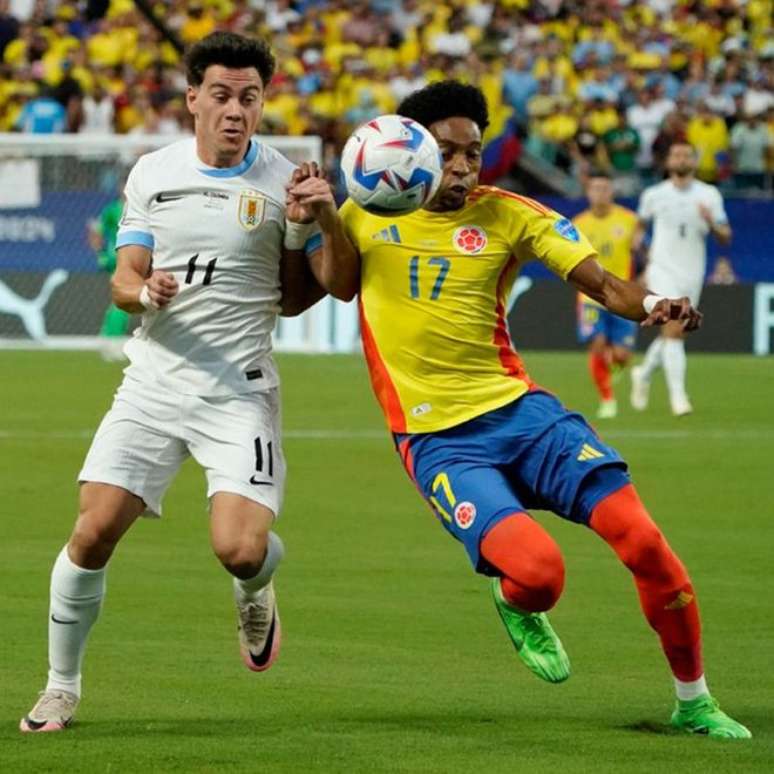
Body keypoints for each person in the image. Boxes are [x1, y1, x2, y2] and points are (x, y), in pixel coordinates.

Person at [288, 80, 750, 739]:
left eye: (472, 153)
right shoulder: (366, 211)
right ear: (414, 152)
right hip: (438, 441)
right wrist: (327, 217)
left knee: (646, 541)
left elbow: (605, 284)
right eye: (447, 153)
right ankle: (515, 602)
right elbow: (337, 286)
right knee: (539, 575)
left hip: (525, 416)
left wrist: (654, 306)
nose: (462, 167)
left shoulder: (510, 215)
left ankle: (694, 700)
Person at [20, 31, 322, 733]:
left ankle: (256, 587)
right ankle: (61, 687)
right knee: (92, 532)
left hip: (239, 390)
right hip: (154, 382)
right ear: (193, 99)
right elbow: (124, 278)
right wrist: (143, 290)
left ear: (261, 103)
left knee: (241, 549)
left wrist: (310, 228)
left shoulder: (282, 181)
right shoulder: (153, 171)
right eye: (220, 95)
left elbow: (300, 298)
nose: (235, 110)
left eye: (249, 97)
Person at [631, 142, 731, 416]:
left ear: (694, 162)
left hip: (692, 272)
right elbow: (638, 231)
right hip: (662, 269)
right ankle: (679, 398)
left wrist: (711, 221)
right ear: (668, 162)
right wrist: (643, 260)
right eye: (676, 154)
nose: (681, 158)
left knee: (677, 333)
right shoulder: (654, 195)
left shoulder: (709, 195)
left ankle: (644, 372)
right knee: (674, 328)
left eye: (686, 154)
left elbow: (725, 236)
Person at [573, 170, 643, 418]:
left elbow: (642, 254)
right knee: (598, 345)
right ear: (588, 192)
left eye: (605, 188)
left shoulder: (630, 220)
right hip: (591, 297)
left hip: (622, 295)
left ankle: (617, 366)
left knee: (622, 355)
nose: (600, 193)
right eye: (595, 188)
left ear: (612, 191)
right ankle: (607, 399)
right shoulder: (578, 224)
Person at [87, 182, 131, 361]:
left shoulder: (141, 207)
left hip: (135, 256)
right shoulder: (112, 210)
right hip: (119, 257)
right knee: (123, 300)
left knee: (123, 300)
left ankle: (108, 337)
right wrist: (100, 253)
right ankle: (111, 341)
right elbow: (95, 231)